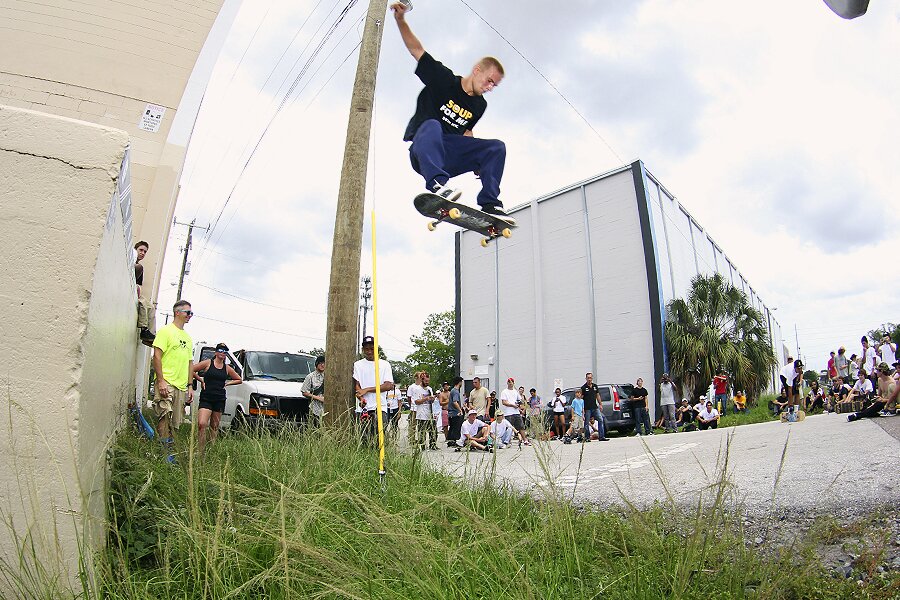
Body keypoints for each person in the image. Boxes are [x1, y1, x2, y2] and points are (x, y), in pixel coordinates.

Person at [390, 1, 515, 223]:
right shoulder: (443, 80)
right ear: (477, 71)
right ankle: (437, 185)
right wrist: (401, 20)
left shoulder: (480, 105)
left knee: (496, 147)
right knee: (433, 125)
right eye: (488, 81)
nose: (489, 88)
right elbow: (416, 50)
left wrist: (479, 159)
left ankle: (490, 204)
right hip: (424, 151)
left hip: (451, 156)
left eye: (494, 86)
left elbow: (467, 132)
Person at [152, 300, 194, 459]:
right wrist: (160, 380)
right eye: (187, 313)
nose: (190, 316)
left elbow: (190, 363)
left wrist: (190, 385)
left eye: (191, 313)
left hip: (181, 386)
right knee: (164, 415)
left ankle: (169, 452)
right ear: (177, 312)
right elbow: (157, 356)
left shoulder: (188, 338)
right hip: (167, 382)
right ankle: (161, 454)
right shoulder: (166, 331)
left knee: (176, 422)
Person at [191, 343, 241, 454]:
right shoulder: (208, 363)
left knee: (214, 426)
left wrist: (228, 384)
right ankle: (201, 451)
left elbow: (239, 379)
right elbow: (191, 369)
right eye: (221, 350)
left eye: (225, 351)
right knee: (202, 424)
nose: (223, 353)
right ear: (216, 352)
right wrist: (201, 380)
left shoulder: (227, 368)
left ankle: (211, 450)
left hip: (219, 399)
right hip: (206, 398)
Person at [352, 335, 394, 442]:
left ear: (376, 349)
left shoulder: (385, 364)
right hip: (363, 409)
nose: (369, 352)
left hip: (380, 407)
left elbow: (388, 385)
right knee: (364, 440)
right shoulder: (358, 365)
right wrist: (361, 398)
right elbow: (357, 385)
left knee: (379, 440)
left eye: (372, 348)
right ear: (363, 350)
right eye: (366, 349)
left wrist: (367, 390)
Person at [134, 241, 156, 344]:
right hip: (133, 293)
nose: (143, 253)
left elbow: (139, 286)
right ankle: (143, 330)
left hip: (136, 293)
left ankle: (150, 335)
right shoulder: (134, 263)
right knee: (142, 303)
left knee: (151, 307)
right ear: (136, 250)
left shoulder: (139, 266)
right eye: (141, 250)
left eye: (145, 252)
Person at [410, 371, 438, 451]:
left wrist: (433, 399)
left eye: (428, 381)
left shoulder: (429, 389)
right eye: (426, 381)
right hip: (421, 414)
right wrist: (426, 398)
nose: (427, 383)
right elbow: (416, 401)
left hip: (429, 413)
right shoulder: (417, 389)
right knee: (421, 431)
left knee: (433, 430)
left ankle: (433, 444)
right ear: (422, 380)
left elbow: (431, 400)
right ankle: (422, 445)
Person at [499, 378, 531, 446]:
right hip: (508, 413)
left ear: (514, 383)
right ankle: (507, 441)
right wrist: (512, 405)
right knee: (509, 428)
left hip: (516, 412)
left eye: (512, 382)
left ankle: (525, 440)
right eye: (509, 382)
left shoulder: (515, 392)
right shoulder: (504, 391)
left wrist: (520, 405)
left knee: (521, 426)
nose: (511, 383)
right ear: (507, 383)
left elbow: (520, 400)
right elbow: (504, 402)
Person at [581, 372, 609, 442]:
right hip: (587, 408)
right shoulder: (583, 388)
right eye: (588, 378)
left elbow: (598, 395)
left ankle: (601, 436)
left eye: (590, 378)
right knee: (586, 423)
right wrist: (582, 409)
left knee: (600, 419)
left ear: (592, 378)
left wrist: (600, 404)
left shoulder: (595, 386)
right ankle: (587, 438)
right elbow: (581, 399)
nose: (589, 379)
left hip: (595, 407)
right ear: (586, 379)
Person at [300, 355, 326, 428]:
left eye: (324, 363)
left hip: (327, 408)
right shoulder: (310, 377)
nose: (322, 365)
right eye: (321, 363)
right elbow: (304, 392)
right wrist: (318, 398)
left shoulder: (328, 376)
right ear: (317, 364)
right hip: (314, 408)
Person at [447, 377, 465, 448]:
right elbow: (455, 402)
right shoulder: (455, 391)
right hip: (455, 413)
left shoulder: (452, 390)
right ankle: (454, 441)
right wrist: (460, 410)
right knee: (456, 427)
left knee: (452, 427)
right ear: (459, 382)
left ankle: (450, 441)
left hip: (451, 413)